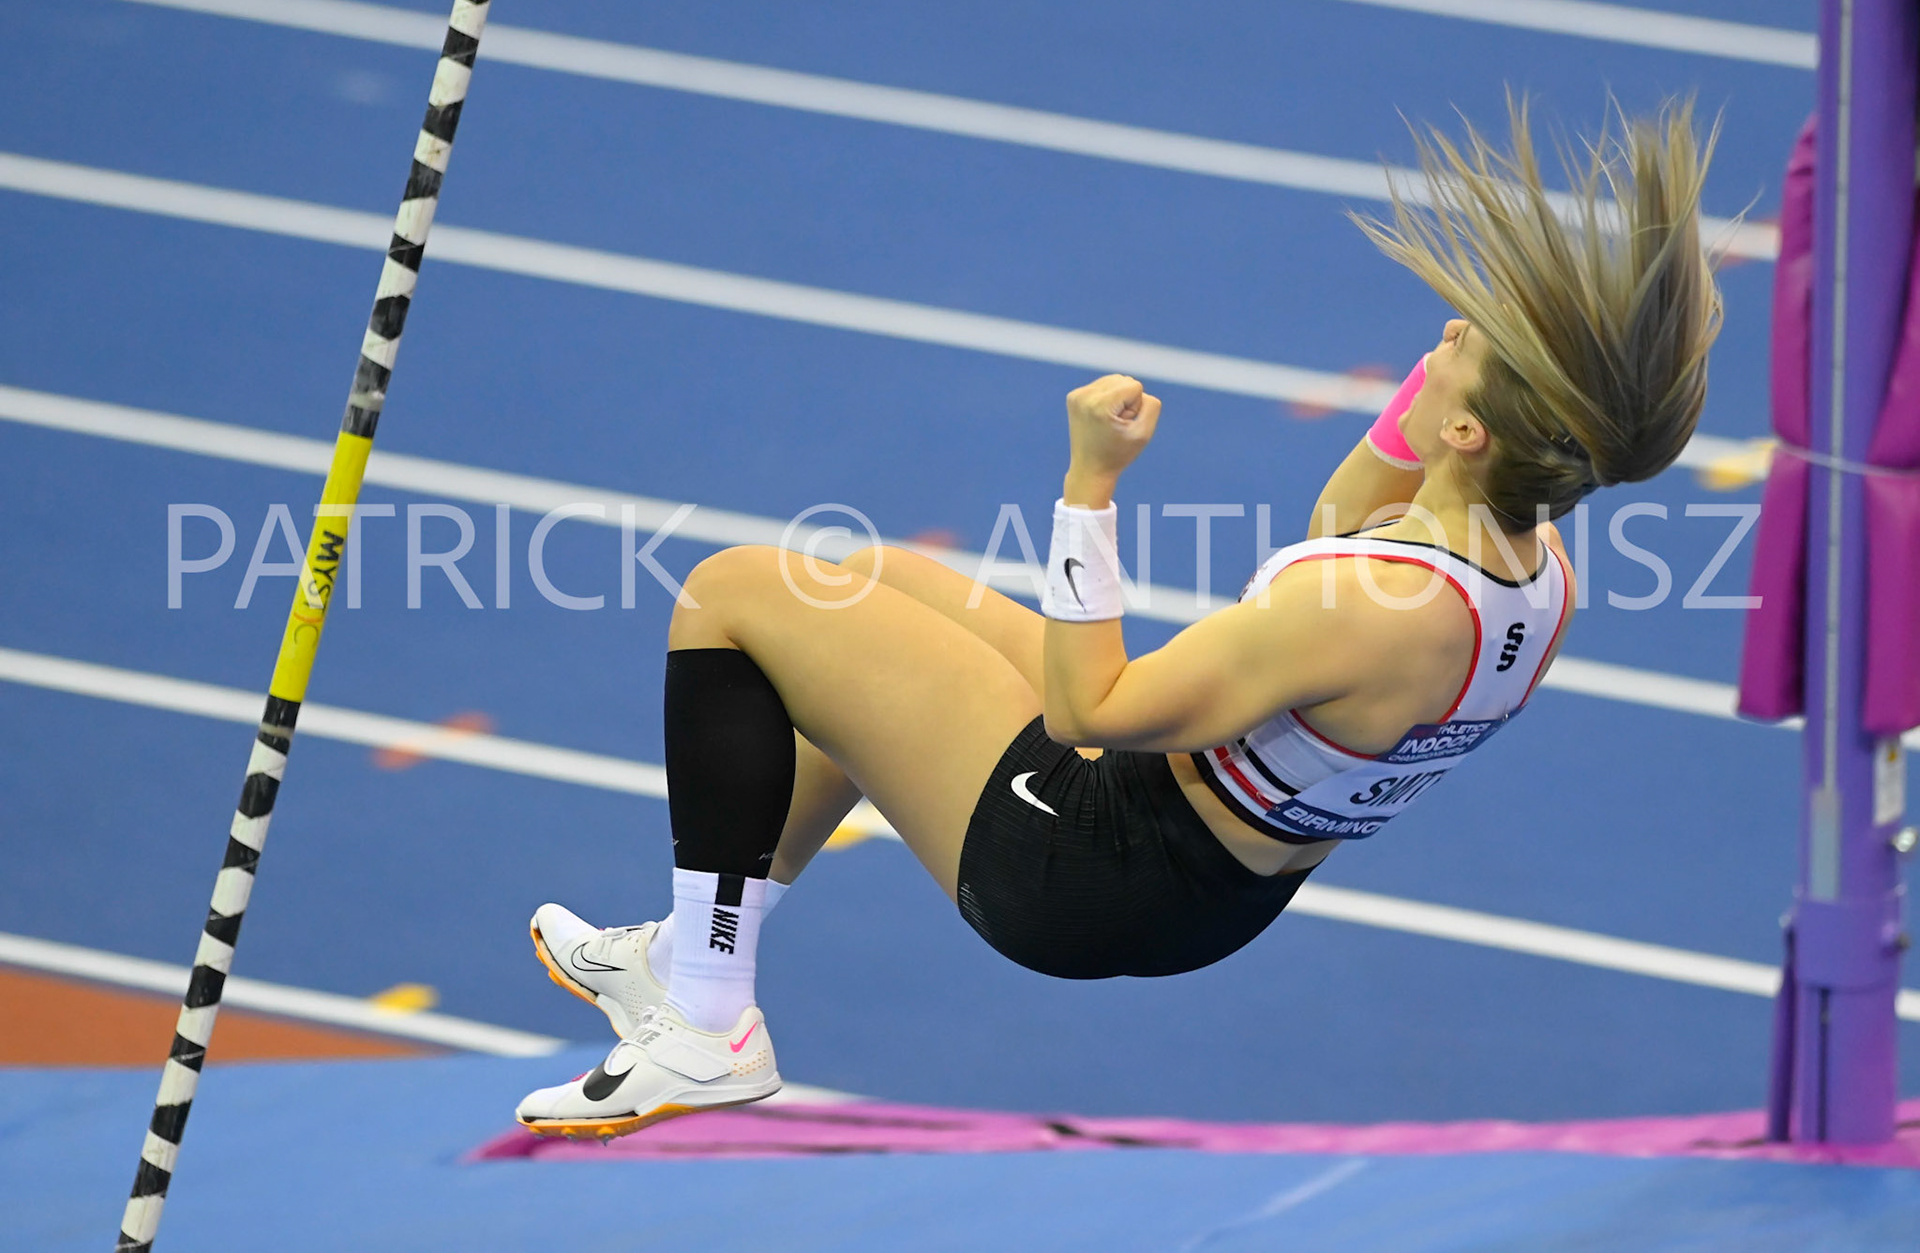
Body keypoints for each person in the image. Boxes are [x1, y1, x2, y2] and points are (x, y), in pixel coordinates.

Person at [513, 99, 1722, 1139]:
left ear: (1472, 438)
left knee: (732, 595)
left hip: (1085, 860)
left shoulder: (1362, 608)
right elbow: (1347, 505)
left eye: (1471, 344)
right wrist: (1449, 379)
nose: (1453, 325)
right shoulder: (1532, 566)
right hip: (1207, 881)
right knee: (855, 590)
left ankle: (711, 1026)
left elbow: (1092, 706)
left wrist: (1091, 483)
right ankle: (693, 951)